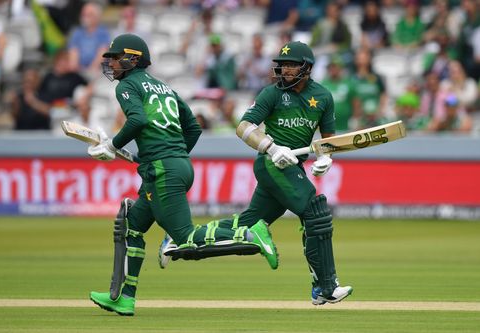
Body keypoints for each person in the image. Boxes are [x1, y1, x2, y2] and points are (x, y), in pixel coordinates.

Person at [87, 33, 278, 316]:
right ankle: (125, 297)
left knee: (185, 239)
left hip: (164, 170)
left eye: (115, 58)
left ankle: (249, 233)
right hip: (171, 165)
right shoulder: (164, 87)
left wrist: (111, 146)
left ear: (132, 59)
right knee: (133, 225)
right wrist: (166, 153)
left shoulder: (127, 85)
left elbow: (138, 120)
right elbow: (194, 128)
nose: (111, 64)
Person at [160, 41, 353, 305]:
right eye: (282, 65)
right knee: (315, 210)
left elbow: (328, 140)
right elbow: (244, 127)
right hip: (271, 164)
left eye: (290, 65)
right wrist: (272, 148)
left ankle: (180, 241)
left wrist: (325, 158)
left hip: (293, 167)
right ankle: (326, 286)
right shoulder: (271, 94)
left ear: (306, 68)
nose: (284, 70)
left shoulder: (322, 97)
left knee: (246, 226)